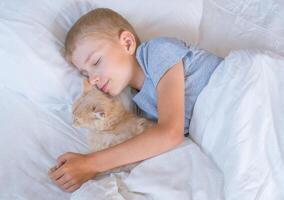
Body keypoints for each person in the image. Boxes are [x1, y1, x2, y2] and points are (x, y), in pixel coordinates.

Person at [48, 8, 223, 192]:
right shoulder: (139, 104)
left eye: (96, 62)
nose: (92, 79)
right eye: (85, 74)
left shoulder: (156, 52)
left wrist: (90, 163)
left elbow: (170, 132)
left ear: (127, 42)